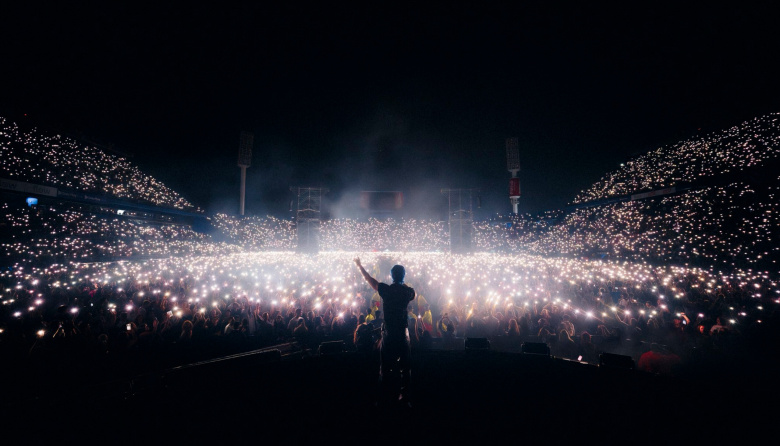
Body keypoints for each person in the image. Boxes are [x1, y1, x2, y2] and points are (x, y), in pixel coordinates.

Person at [354, 257, 415, 408]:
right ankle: (405, 398)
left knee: (385, 368)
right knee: (406, 369)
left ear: (391, 276)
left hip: (388, 334)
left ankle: (383, 398)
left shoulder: (385, 290)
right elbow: (411, 293)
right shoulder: (408, 291)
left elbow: (369, 279)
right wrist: (403, 284)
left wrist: (360, 265)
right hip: (402, 334)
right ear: (403, 276)